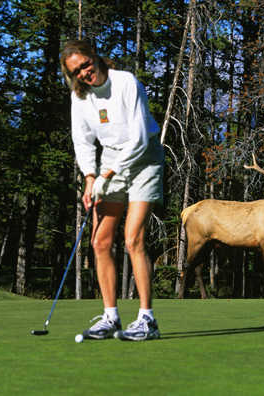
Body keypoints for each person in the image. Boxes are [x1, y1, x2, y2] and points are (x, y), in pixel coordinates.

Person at [60, 40, 163, 341]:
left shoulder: (126, 82)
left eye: (85, 64)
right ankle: (110, 318)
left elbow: (140, 137)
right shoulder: (79, 98)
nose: (83, 73)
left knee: (133, 239)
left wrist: (107, 173)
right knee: (100, 241)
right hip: (108, 162)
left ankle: (147, 321)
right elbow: (82, 141)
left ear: (94, 56)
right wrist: (90, 178)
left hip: (144, 158)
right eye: (75, 71)